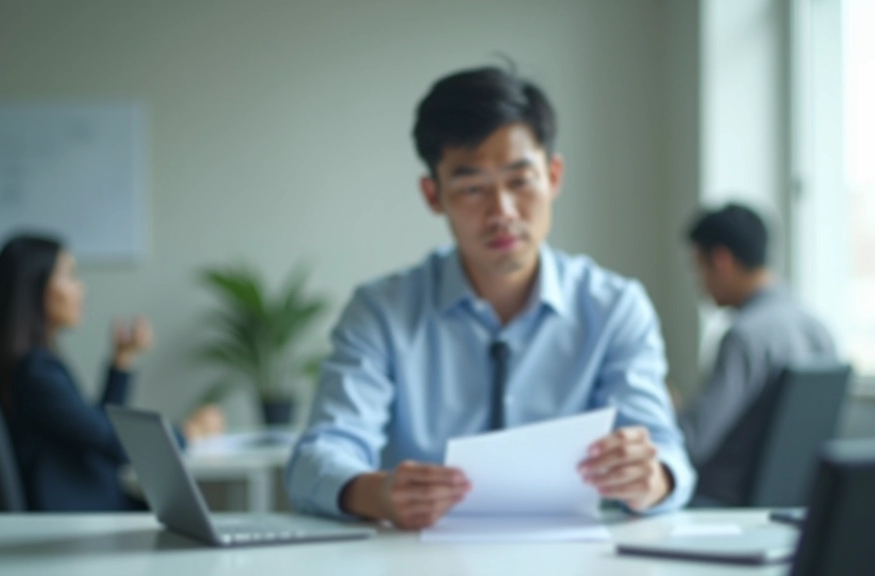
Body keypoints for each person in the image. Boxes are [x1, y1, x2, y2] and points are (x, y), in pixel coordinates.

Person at [286, 66, 695, 529]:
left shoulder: (615, 308)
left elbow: (666, 455)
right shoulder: (381, 311)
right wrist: (377, 494)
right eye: (472, 188)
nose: (502, 212)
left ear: (554, 176)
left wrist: (650, 478)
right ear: (432, 195)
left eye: (520, 181)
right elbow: (317, 458)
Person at [0, 234, 224, 511]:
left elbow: (96, 430)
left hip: (82, 506)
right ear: (34, 287)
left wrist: (121, 359)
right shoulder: (35, 374)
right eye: (70, 276)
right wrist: (188, 432)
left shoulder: (25, 366)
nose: (81, 289)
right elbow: (113, 443)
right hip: (77, 517)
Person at [678, 203, 837, 506]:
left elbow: (692, 443)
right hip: (797, 504)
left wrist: (667, 412)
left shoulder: (744, 337)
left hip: (722, 504)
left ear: (721, 260)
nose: (700, 286)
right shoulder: (818, 329)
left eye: (698, 268)